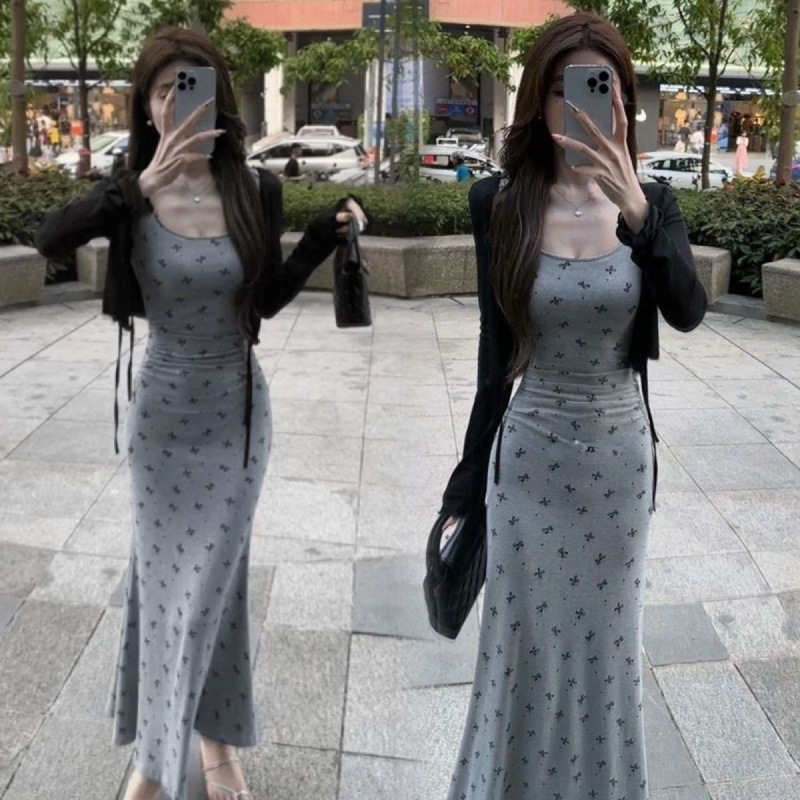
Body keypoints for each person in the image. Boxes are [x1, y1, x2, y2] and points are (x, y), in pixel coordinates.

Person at [32, 25, 368, 800]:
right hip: (161, 419)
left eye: (194, 88)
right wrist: (140, 187)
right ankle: (194, 750)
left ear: (218, 99)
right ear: (147, 105)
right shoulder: (130, 192)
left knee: (208, 587)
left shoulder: (254, 190)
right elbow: (50, 238)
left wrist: (321, 238)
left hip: (237, 417)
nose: (178, 104)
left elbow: (265, 302)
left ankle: (160, 762)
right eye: (164, 91)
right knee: (168, 590)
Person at [438, 11, 707, 800]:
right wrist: (463, 488)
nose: (579, 103)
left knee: (603, 657)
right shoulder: (499, 203)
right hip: (527, 463)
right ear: (538, 98)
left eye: (598, 87)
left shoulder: (654, 204)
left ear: (623, 99)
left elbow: (688, 311)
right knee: (523, 657)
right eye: (562, 87)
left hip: (618, 468)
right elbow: (494, 359)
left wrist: (639, 213)